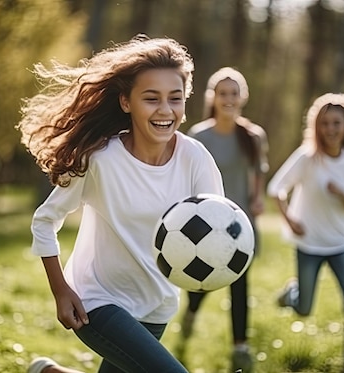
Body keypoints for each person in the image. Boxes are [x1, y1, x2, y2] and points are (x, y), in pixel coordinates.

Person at [17, 35, 225, 373]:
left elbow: (218, 227)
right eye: (151, 98)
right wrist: (60, 290)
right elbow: (44, 220)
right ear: (126, 102)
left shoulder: (195, 158)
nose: (165, 110)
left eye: (175, 98)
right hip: (97, 300)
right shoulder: (100, 158)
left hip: (158, 304)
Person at [266, 93, 344, 373]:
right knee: (304, 310)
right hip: (309, 244)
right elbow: (276, 189)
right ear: (317, 126)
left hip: (341, 243)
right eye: (325, 123)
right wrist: (289, 220)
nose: (331, 129)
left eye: (337, 123)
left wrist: (340, 193)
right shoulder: (307, 158)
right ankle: (292, 294)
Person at [180, 67, 269, 373]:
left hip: (239, 223)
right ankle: (190, 312)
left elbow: (258, 173)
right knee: (202, 279)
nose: (228, 99)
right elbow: (189, 177)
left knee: (240, 283)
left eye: (234, 93)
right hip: (204, 221)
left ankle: (240, 345)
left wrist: (257, 199)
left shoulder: (253, 136)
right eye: (222, 94)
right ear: (213, 98)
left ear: (242, 97)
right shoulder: (198, 135)